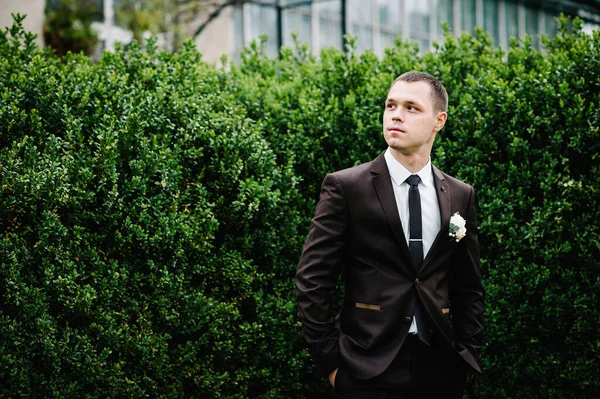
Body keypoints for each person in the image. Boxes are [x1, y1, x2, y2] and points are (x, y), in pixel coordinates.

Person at [295, 71, 484, 398]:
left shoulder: (459, 194)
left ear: (439, 121)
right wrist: (332, 365)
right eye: (391, 105)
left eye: (412, 108)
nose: (396, 114)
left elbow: (468, 285)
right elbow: (312, 279)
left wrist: (466, 355)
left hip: (440, 367)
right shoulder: (346, 187)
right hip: (366, 367)